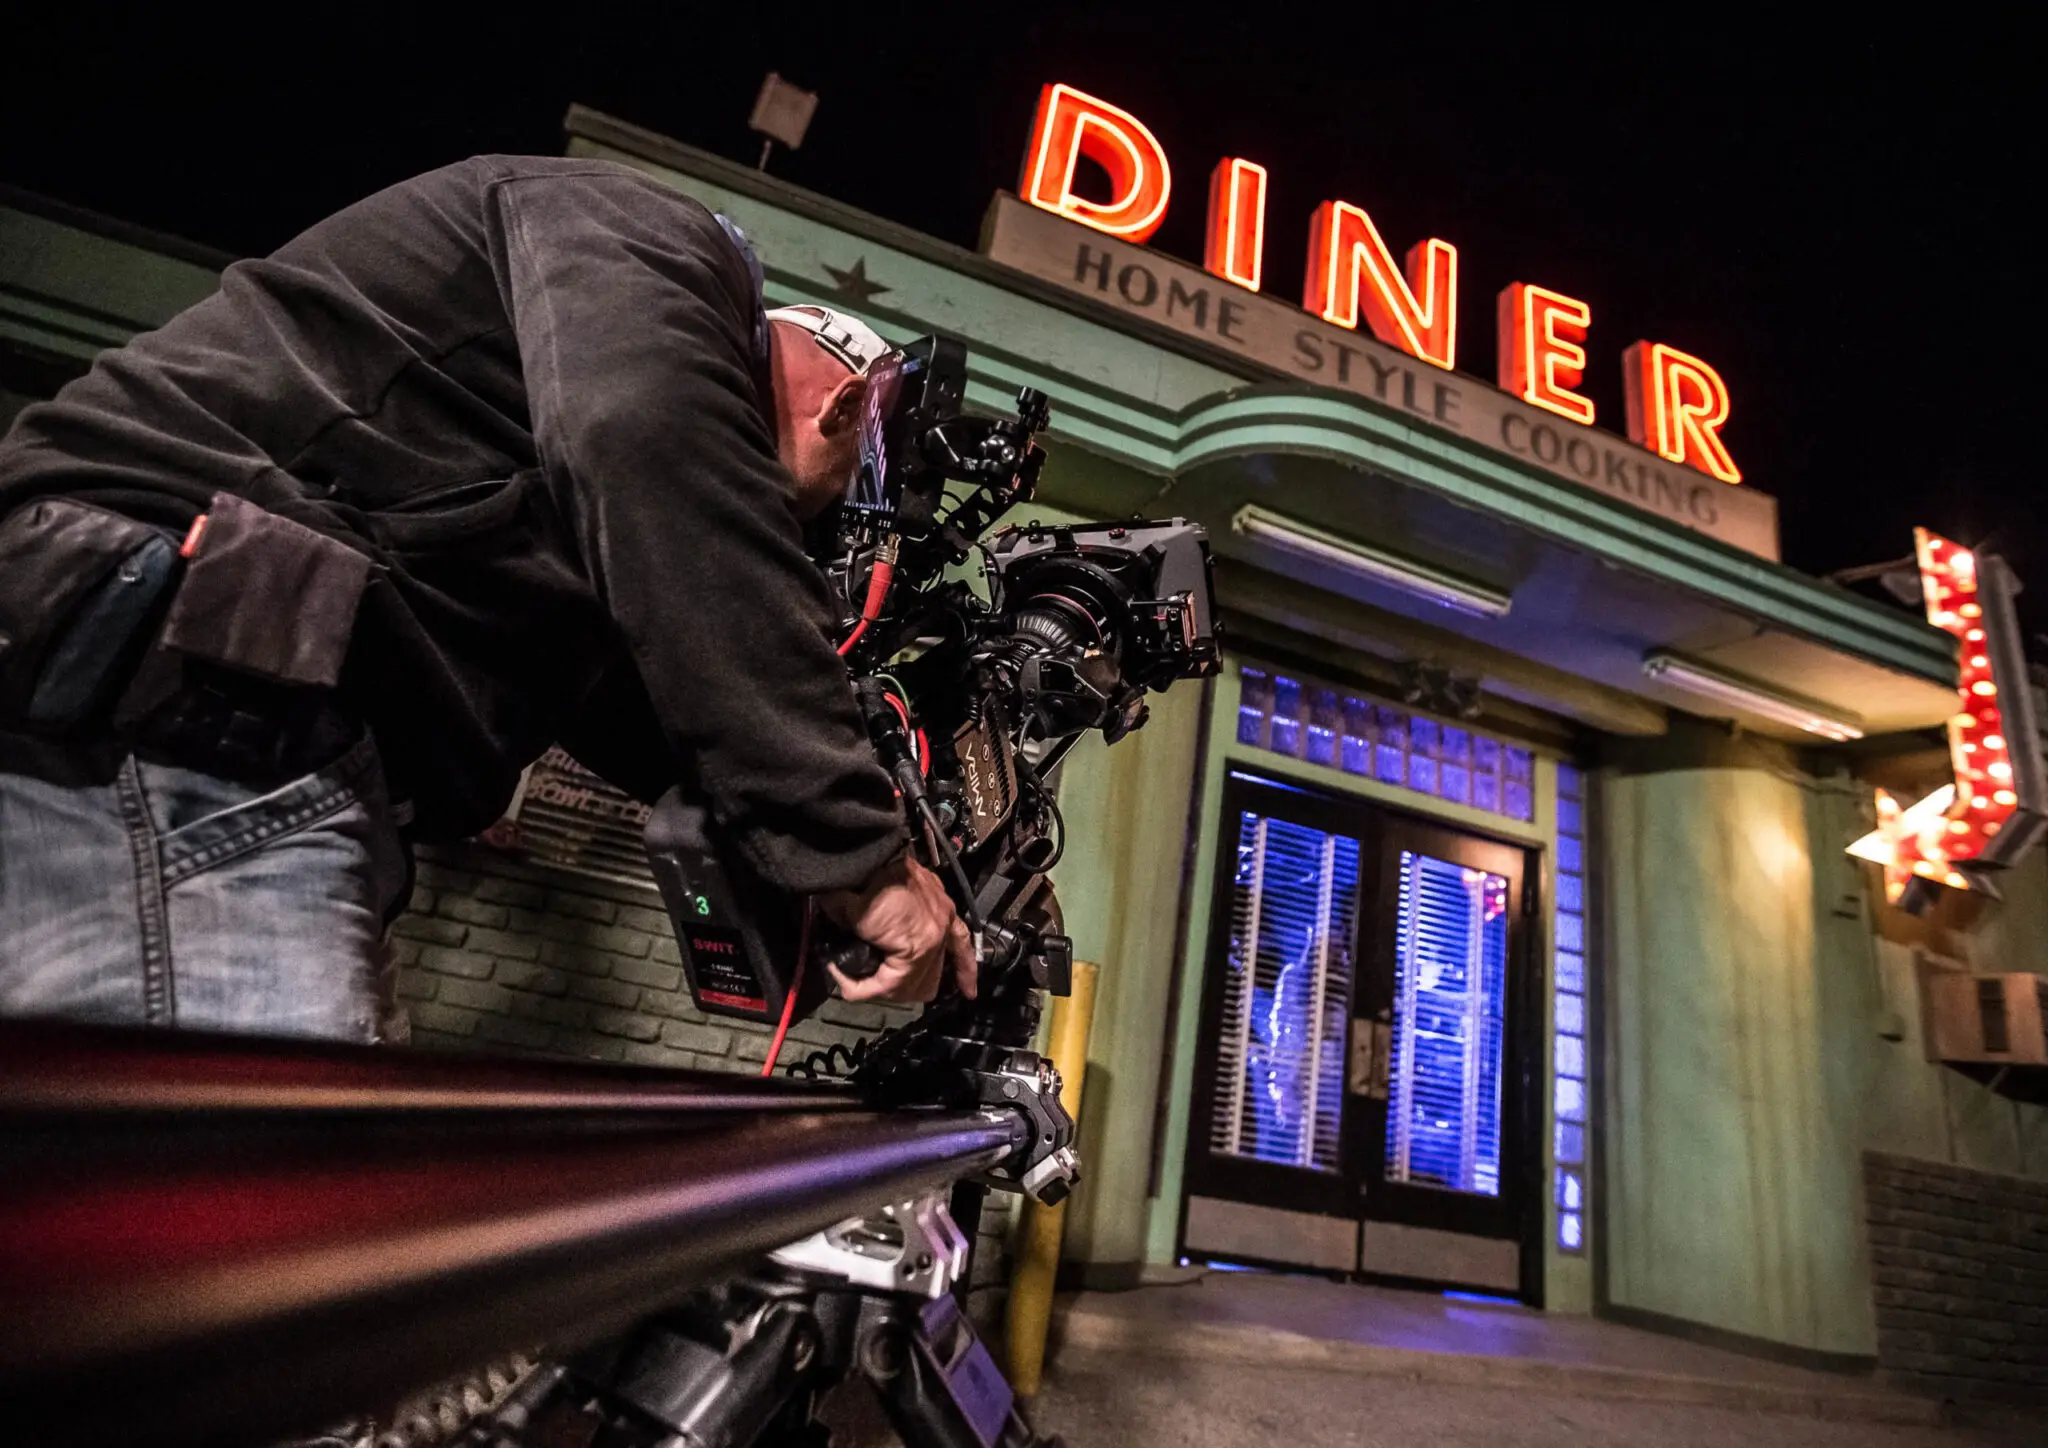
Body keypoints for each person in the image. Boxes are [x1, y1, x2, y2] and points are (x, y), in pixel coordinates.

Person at [0, 155, 975, 1041]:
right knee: (258, 1206)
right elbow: (659, 461)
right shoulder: (658, 240)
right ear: (840, 409)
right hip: (201, 691)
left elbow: (636, 690)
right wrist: (856, 853)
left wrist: (818, 834)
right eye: (812, 509)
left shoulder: (552, 431)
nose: (795, 535)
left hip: (213, 713)